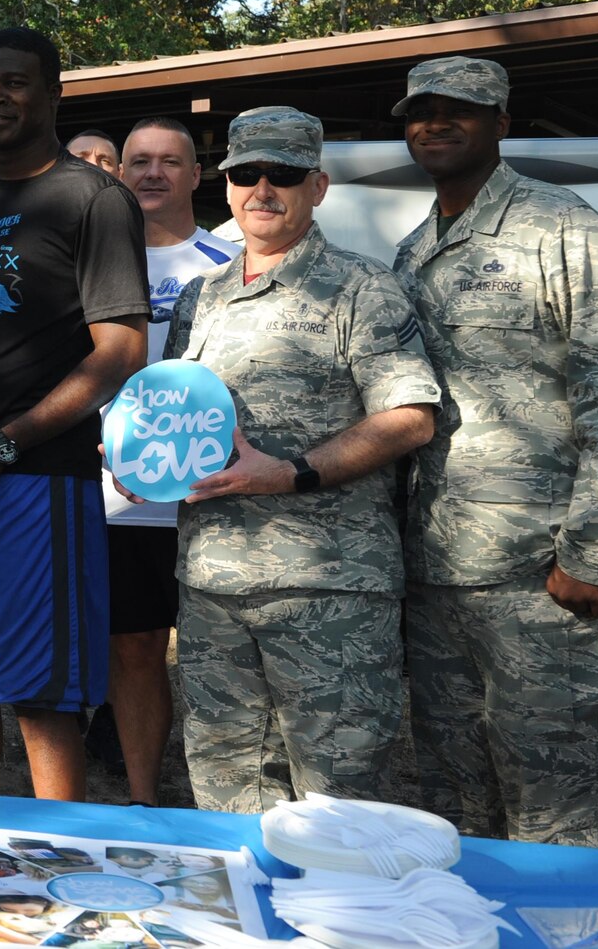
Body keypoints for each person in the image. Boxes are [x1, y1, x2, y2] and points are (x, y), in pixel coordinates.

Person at [154, 106, 438, 812]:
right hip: (215, 586)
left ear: (319, 185)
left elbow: (410, 417)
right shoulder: (203, 295)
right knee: (226, 794)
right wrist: (140, 452)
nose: (262, 189)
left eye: (282, 174)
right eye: (245, 173)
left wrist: (291, 471)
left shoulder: (361, 288)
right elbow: (173, 411)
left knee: (338, 805)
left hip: (329, 591)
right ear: (224, 186)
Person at [391, 56, 598, 848]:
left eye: (457, 109)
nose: (434, 123)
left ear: (502, 122)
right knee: (451, 806)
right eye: (420, 110)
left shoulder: (564, 228)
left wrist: (593, 557)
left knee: (556, 803)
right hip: (434, 580)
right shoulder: (411, 249)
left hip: (541, 579)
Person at [0, 27, 148, 803]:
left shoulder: (95, 199)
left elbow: (118, 351)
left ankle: (63, 851)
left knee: (41, 692)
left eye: (13, 82)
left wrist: (6, 444)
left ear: (53, 93)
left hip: (34, 479)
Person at [89, 118, 240, 807]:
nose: (152, 173)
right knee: (137, 648)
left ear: (196, 174)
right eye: (139, 160)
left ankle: (235, 792)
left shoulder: (226, 265)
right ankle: (145, 795)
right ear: (119, 173)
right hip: (118, 498)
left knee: (219, 653)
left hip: (217, 497)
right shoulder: (89, 264)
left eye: (169, 162)